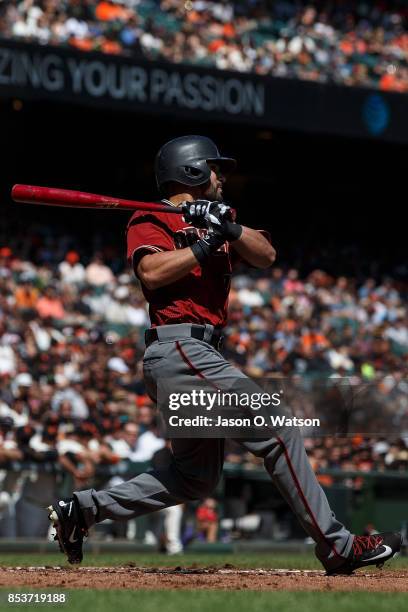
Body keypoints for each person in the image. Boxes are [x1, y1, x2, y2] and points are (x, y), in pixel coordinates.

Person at [47, 135, 401, 575]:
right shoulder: (149, 218)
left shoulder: (220, 217)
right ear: (192, 171)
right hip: (180, 348)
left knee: (194, 477)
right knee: (278, 430)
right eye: (215, 168)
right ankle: (337, 545)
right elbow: (151, 273)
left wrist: (226, 227)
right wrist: (203, 243)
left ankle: (81, 510)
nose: (222, 177)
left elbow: (268, 254)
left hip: (195, 355)